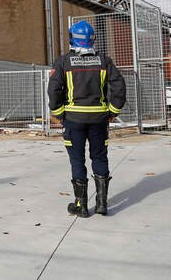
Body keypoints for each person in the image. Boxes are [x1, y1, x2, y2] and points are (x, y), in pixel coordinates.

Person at [48, 20, 126, 217]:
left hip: (73, 119)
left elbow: (54, 90)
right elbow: (119, 88)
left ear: (72, 39)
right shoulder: (104, 61)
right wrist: (112, 112)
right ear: (93, 39)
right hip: (99, 119)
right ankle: (101, 204)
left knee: (77, 160)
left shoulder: (64, 62)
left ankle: (81, 206)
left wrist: (58, 114)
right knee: (99, 156)